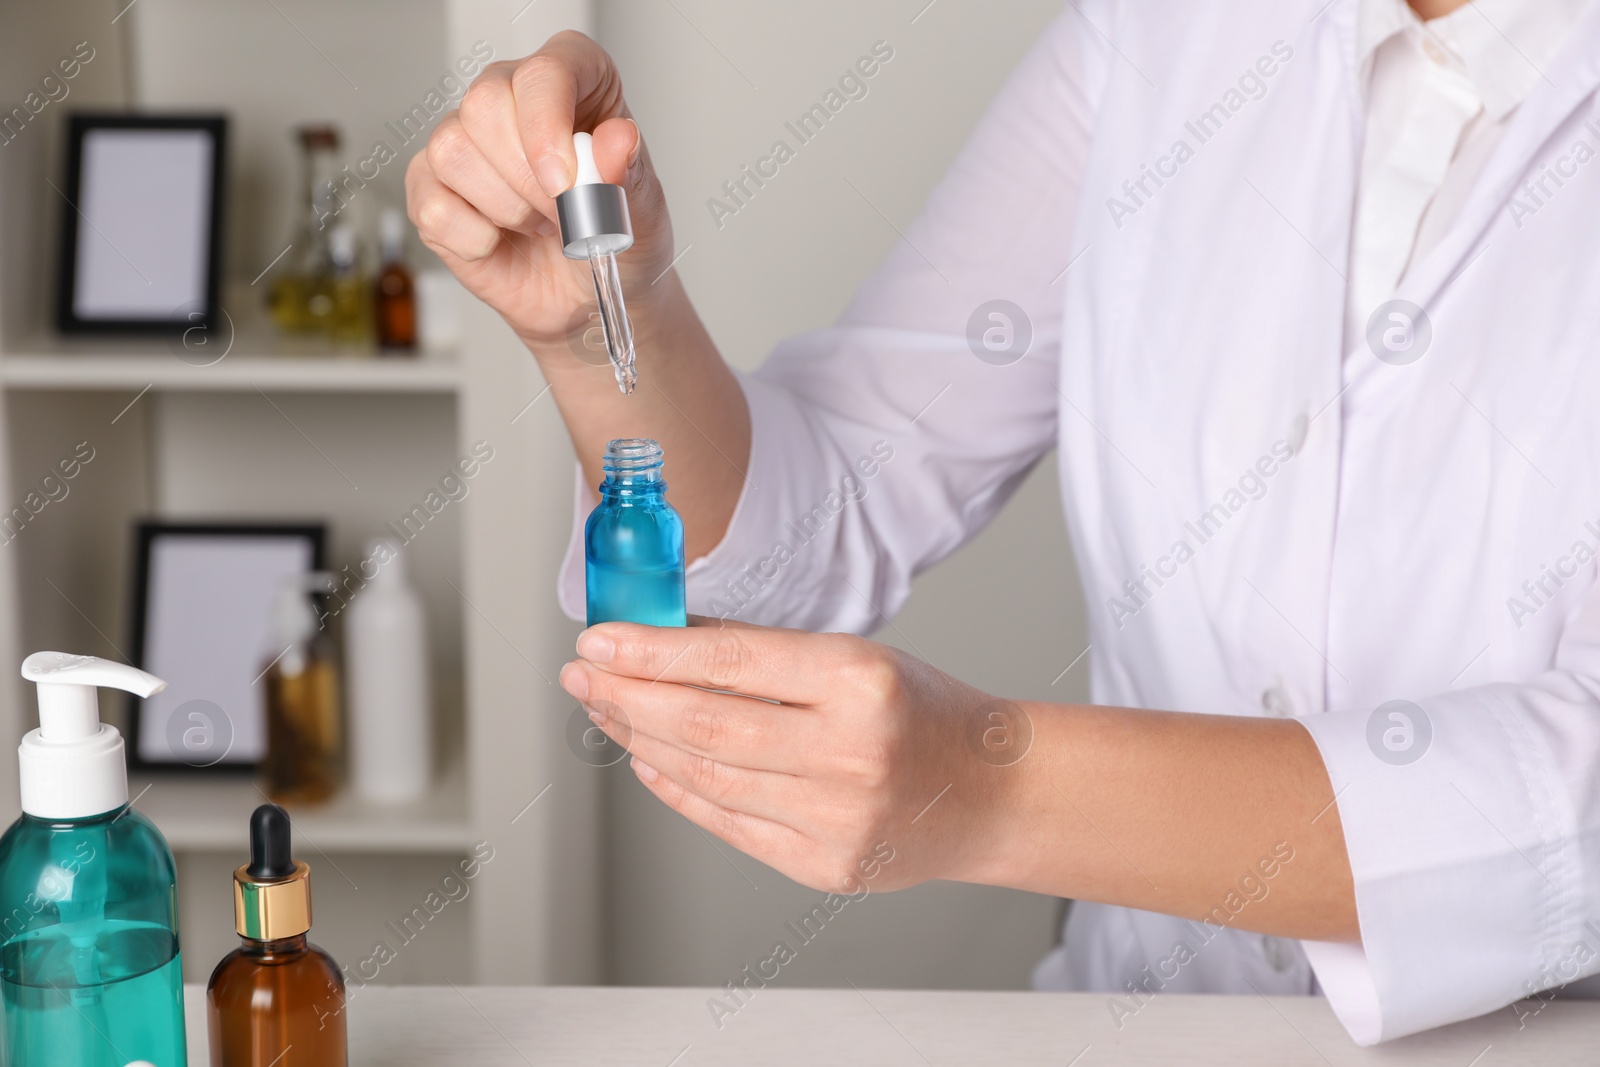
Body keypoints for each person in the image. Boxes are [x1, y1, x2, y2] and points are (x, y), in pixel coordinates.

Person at [407, 0, 1600, 1044]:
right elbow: (835, 503)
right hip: (1140, 1020)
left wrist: (994, 782)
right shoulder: (1163, 29)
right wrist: (612, 323)